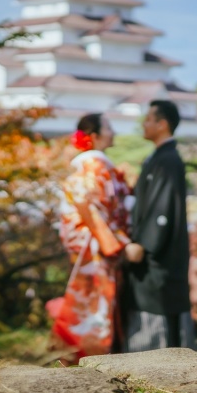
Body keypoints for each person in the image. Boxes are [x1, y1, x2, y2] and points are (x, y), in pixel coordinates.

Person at [48, 113, 132, 363]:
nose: (113, 132)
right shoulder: (95, 165)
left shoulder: (93, 164)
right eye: (109, 127)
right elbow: (93, 209)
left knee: (91, 304)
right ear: (94, 136)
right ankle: (87, 357)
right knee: (96, 306)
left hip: (92, 241)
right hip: (95, 243)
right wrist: (118, 241)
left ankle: (75, 354)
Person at [121, 99, 195, 351]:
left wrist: (144, 243)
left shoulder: (169, 160)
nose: (144, 123)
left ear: (162, 125)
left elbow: (163, 209)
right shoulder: (158, 158)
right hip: (149, 256)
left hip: (158, 256)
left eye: (149, 119)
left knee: (161, 314)